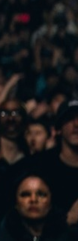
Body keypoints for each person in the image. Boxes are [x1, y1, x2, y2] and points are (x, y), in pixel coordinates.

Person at [23, 100, 78, 236]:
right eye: (69, 119)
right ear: (57, 129)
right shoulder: (40, 168)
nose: (76, 124)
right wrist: (69, 219)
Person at [0, 173, 70, 241]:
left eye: (41, 194)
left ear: (51, 200)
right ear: (15, 202)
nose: (33, 200)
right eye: (25, 194)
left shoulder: (70, 237)